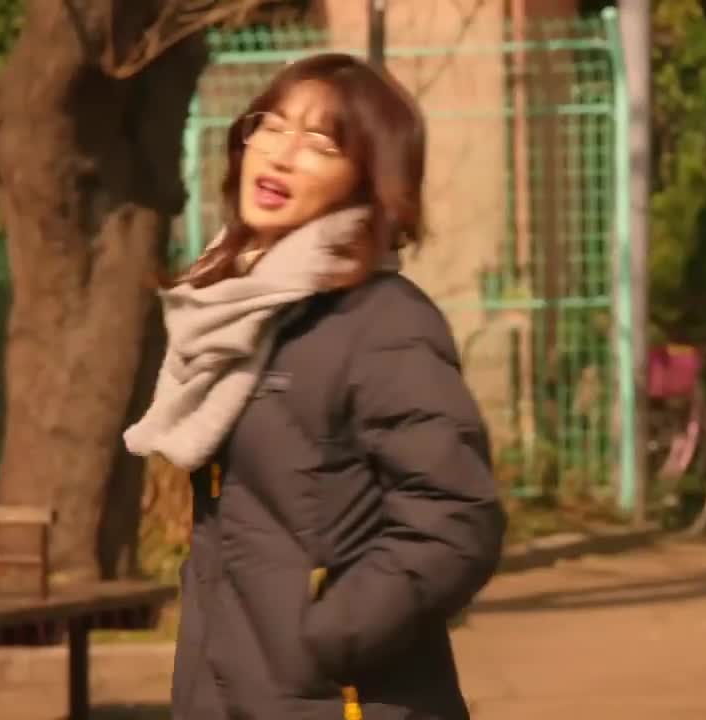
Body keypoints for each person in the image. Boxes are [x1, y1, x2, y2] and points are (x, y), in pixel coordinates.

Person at [124, 53, 506, 720]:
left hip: (343, 700)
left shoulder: (384, 324)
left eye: (320, 143)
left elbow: (455, 517)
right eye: (270, 126)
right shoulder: (239, 315)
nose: (281, 153)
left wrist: (329, 637)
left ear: (368, 179)